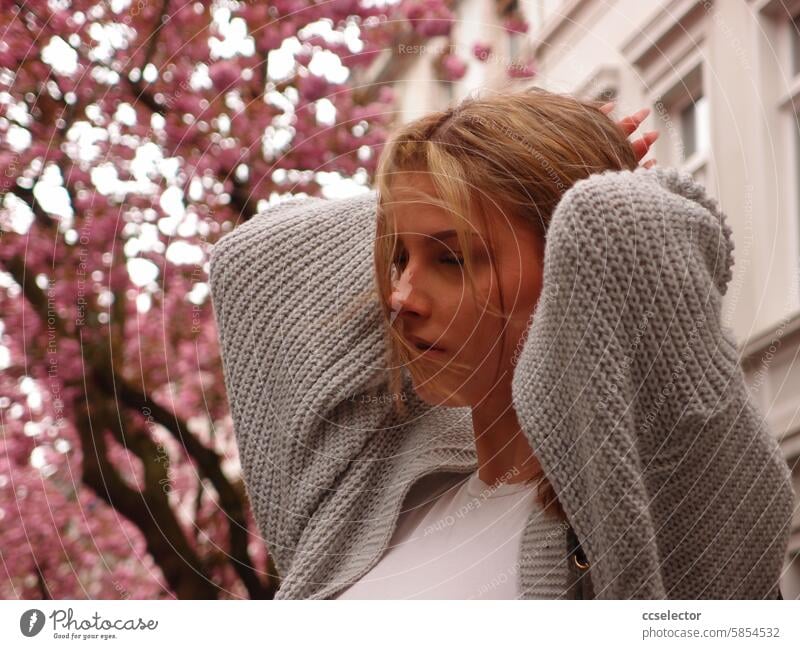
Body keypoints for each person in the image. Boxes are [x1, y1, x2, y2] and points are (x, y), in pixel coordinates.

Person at [209, 87, 796, 599]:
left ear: (574, 267)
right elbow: (248, 265)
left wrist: (561, 168)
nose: (400, 296)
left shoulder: (639, 519)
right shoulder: (374, 497)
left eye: (453, 258)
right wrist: (493, 155)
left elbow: (618, 225)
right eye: (398, 258)